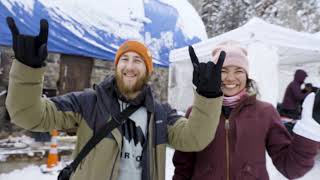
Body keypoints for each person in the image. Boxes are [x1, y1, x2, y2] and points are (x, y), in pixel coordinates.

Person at [5, 17, 225, 180]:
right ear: (116, 65)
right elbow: (29, 115)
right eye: (125, 59)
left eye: (138, 60)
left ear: (148, 71)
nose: (130, 66)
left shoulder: (160, 115)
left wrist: (208, 96)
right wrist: (27, 69)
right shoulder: (88, 103)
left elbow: (195, 138)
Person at [173, 41, 320, 180]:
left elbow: (290, 167)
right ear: (214, 74)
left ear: (247, 76)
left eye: (239, 71)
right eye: (223, 70)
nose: (230, 78)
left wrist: (309, 132)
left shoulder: (266, 113)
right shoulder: (197, 112)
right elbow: (183, 167)